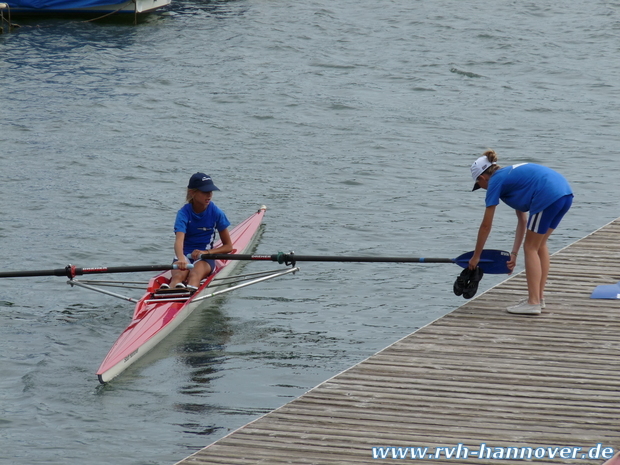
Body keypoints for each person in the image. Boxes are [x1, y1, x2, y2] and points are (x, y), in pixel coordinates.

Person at [468, 149, 573, 315]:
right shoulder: (509, 176)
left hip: (548, 195)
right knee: (539, 245)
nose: (481, 188)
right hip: (565, 193)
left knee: (531, 247)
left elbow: (486, 226)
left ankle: (533, 303)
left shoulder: (495, 181)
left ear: (482, 178)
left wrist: (476, 256)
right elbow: (522, 220)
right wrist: (514, 254)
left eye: (478, 185)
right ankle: (539, 298)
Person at [160, 172, 233, 292]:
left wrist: (206, 252)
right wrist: (181, 258)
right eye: (205, 192)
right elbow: (179, 241)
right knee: (178, 276)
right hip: (184, 256)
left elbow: (228, 246)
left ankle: (187, 295)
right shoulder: (183, 213)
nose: (209, 195)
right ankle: (170, 294)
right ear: (192, 193)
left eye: (210, 191)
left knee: (194, 275)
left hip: (204, 257)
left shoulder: (217, 213)